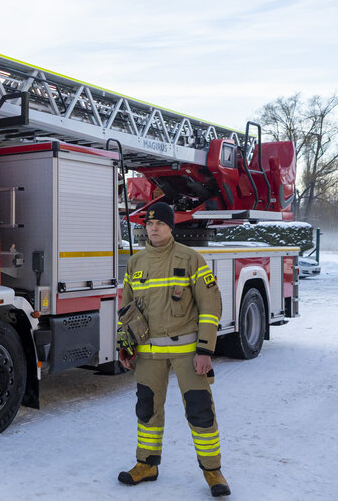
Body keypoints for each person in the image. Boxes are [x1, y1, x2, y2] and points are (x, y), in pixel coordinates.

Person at [117, 202, 230, 497]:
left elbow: (210, 305)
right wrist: (125, 345)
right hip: (148, 353)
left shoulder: (190, 258)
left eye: (160, 224)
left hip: (187, 352)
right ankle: (147, 464)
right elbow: (126, 309)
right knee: (146, 410)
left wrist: (205, 349)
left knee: (200, 410)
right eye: (149, 224)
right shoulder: (135, 263)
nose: (153, 228)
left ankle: (213, 471)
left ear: (170, 227)